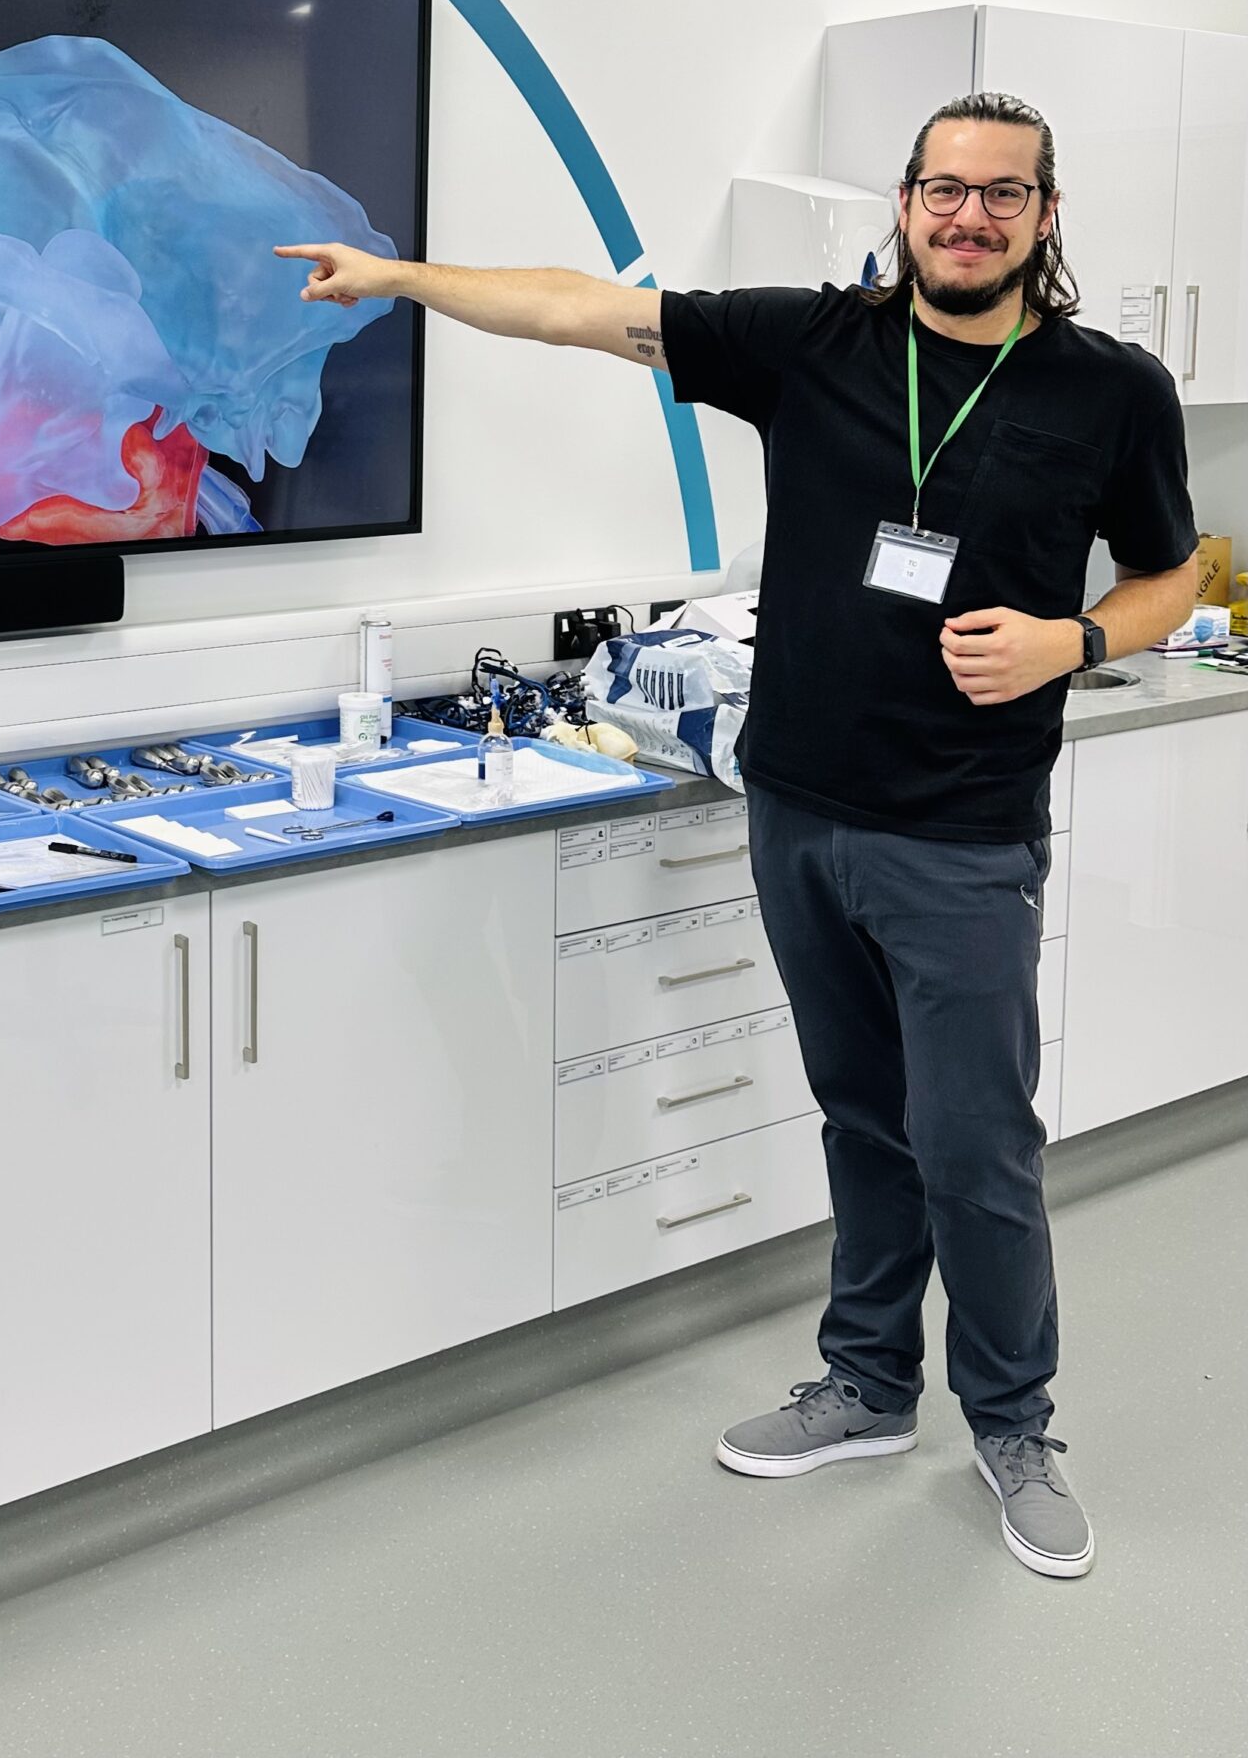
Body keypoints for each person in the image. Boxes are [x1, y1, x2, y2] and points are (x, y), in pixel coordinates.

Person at [278, 90, 1197, 1581]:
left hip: (960, 833)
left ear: (1044, 217)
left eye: (1003, 197)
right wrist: (401, 282)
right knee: (862, 1119)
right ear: (903, 204)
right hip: (797, 808)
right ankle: (869, 1385)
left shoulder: (1111, 389)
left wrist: (1073, 643)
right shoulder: (814, 344)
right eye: (945, 190)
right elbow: (587, 311)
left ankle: (1013, 1420)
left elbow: (1172, 573)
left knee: (977, 1146)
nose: (970, 217)